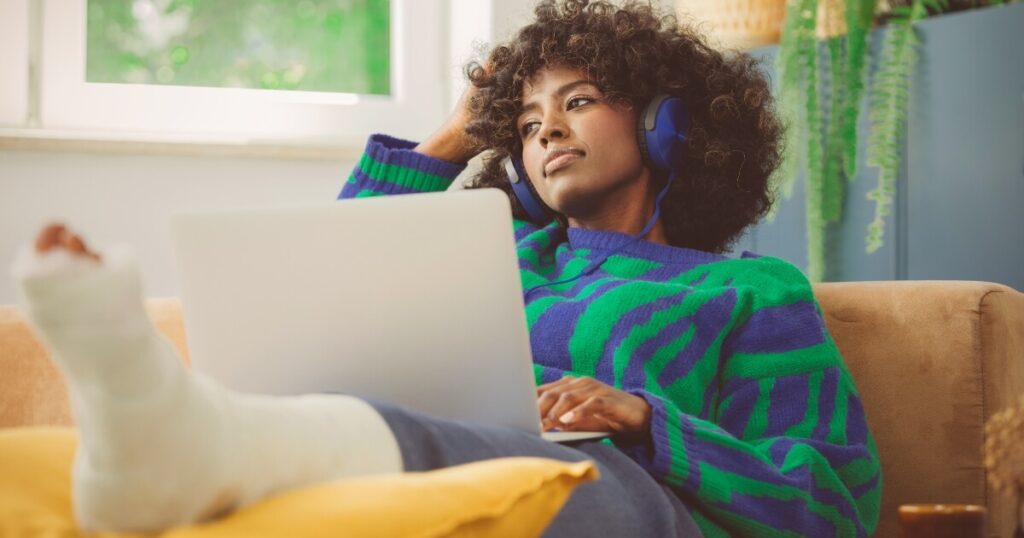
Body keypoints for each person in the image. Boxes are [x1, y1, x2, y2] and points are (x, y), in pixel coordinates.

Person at [12, 1, 881, 536]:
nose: (546, 129)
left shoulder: (748, 292)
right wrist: (450, 137)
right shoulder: (493, 249)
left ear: (668, 126)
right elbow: (332, 286)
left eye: (577, 102)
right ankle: (183, 448)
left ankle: (177, 433)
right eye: (528, 118)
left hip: (624, 495)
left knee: (529, 463)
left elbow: (831, 505)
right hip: (436, 466)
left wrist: (648, 421)